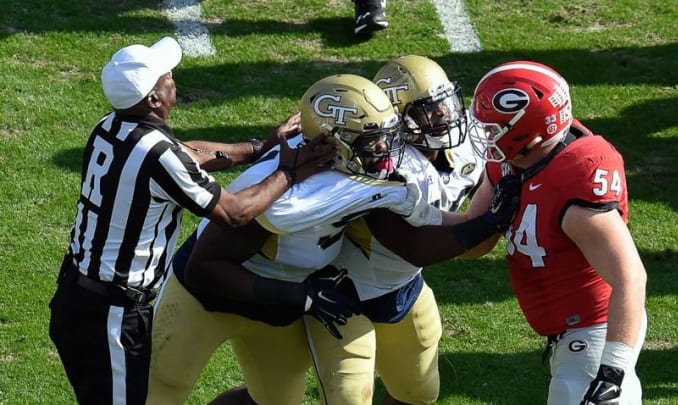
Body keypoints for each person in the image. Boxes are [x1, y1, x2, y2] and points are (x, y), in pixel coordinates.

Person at [147, 73, 518, 405]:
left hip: (282, 307)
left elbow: (419, 218)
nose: (385, 153)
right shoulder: (281, 199)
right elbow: (204, 270)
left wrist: (483, 217)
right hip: (207, 299)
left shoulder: (359, 177)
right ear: (331, 143)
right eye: (371, 143)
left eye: (387, 138)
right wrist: (298, 297)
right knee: (163, 391)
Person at [47, 36, 335, 405]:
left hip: (76, 296)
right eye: (166, 76)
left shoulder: (110, 126)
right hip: (111, 315)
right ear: (153, 99)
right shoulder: (158, 155)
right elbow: (234, 212)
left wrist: (259, 148)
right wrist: (289, 172)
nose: (173, 79)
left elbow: (187, 155)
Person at [462, 60, 648, 405]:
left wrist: (613, 371)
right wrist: (410, 211)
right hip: (568, 335)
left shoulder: (574, 184)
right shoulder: (515, 159)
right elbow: (470, 244)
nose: (486, 136)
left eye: (494, 128)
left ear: (527, 131)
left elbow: (631, 277)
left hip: (596, 335)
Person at [304, 54, 485, 405]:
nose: (444, 116)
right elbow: (415, 246)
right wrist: (491, 221)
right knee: (327, 399)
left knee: (417, 395)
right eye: (428, 111)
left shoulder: (464, 143)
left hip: (403, 286)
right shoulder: (380, 167)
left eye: (445, 104)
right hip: (342, 294)